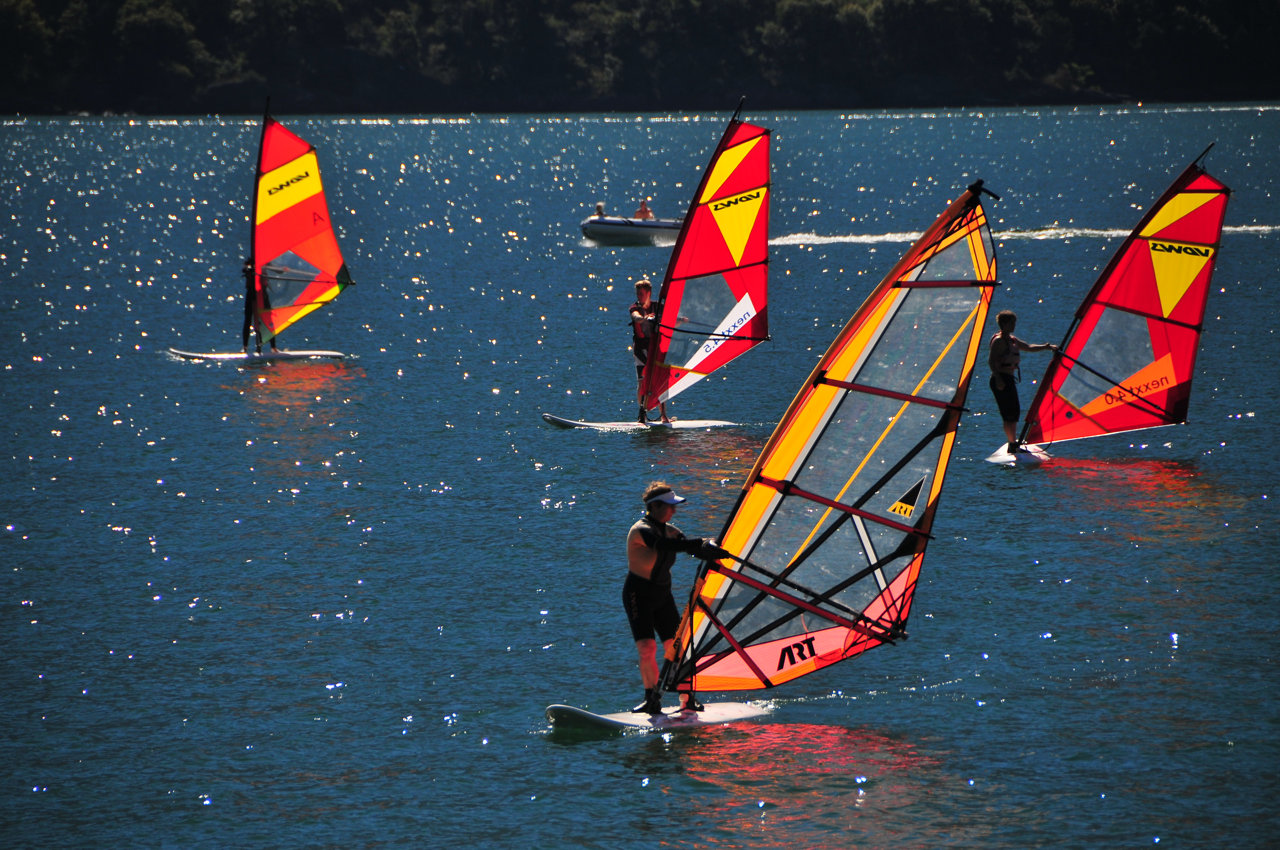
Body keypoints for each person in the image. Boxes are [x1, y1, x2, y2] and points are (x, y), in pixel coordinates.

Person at [623, 482, 728, 714]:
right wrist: (696, 543)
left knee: (676, 647)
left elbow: (692, 549)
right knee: (647, 647)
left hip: (663, 595)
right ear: (655, 506)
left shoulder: (672, 531)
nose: (674, 511)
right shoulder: (640, 530)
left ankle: (686, 698)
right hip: (637, 595)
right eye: (670, 506)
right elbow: (662, 545)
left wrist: (712, 548)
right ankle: (652, 699)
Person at [989, 309, 1054, 453]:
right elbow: (991, 362)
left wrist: (1046, 347)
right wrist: (999, 379)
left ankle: (1013, 442)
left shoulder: (1012, 339)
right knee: (1008, 413)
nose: (1014, 326)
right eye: (1012, 323)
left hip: (1009, 379)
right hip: (1000, 379)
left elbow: (1028, 347)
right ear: (1004, 324)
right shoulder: (999, 341)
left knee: (1015, 411)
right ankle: (1012, 444)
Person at [629, 278, 669, 423]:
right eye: (637, 294)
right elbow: (636, 317)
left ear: (649, 293)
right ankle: (642, 414)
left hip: (656, 348)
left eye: (641, 294)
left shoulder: (658, 307)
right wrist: (645, 318)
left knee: (660, 380)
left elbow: (670, 319)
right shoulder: (634, 308)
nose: (639, 297)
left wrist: (681, 319)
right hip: (641, 349)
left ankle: (664, 415)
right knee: (642, 381)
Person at [240, 258, 277, 354]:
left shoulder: (265, 261)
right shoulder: (249, 263)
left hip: (262, 293)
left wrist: (282, 269)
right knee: (248, 320)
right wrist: (253, 268)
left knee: (268, 319)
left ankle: (273, 347)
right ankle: (245, 347)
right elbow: (244, 268)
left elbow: (278, 271)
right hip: (251, 294)